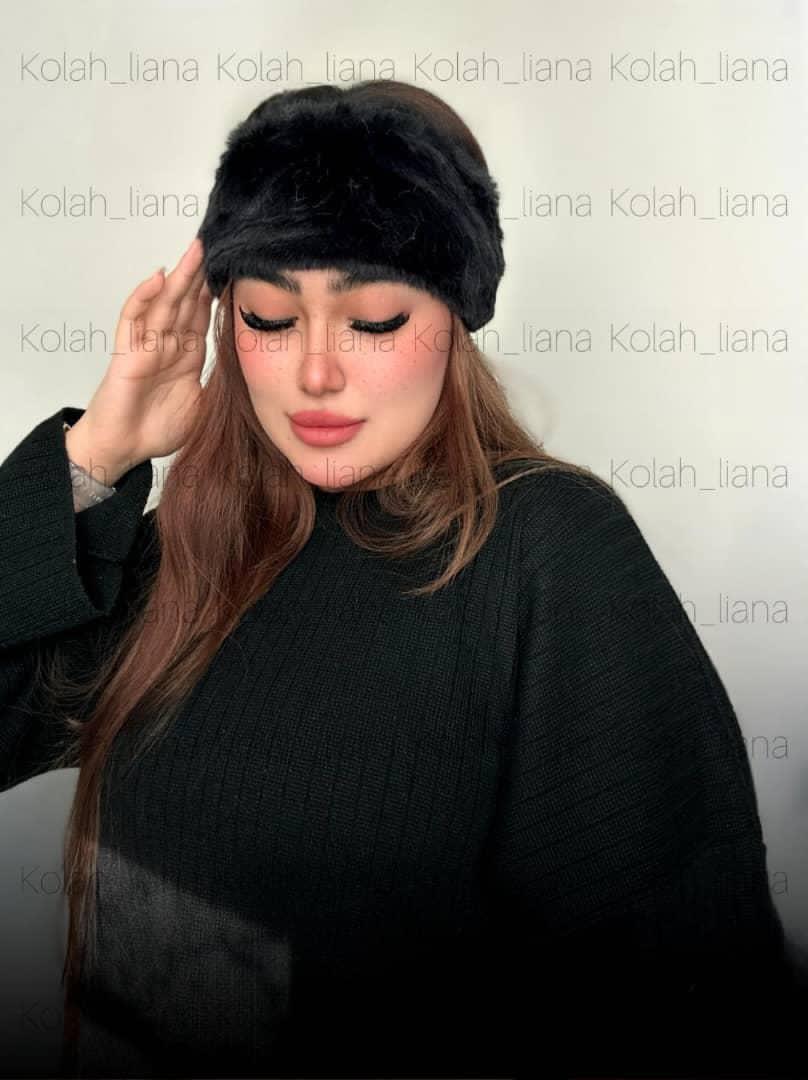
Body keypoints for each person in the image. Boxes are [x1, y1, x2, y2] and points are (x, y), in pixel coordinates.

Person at [0, 79, 804, 1080]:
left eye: (374, 319)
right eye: (269, 316)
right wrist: (98, 454)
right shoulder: (196, 548)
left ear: (454, 319)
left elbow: (692, 990)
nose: (316, 371)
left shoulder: (549, 551)